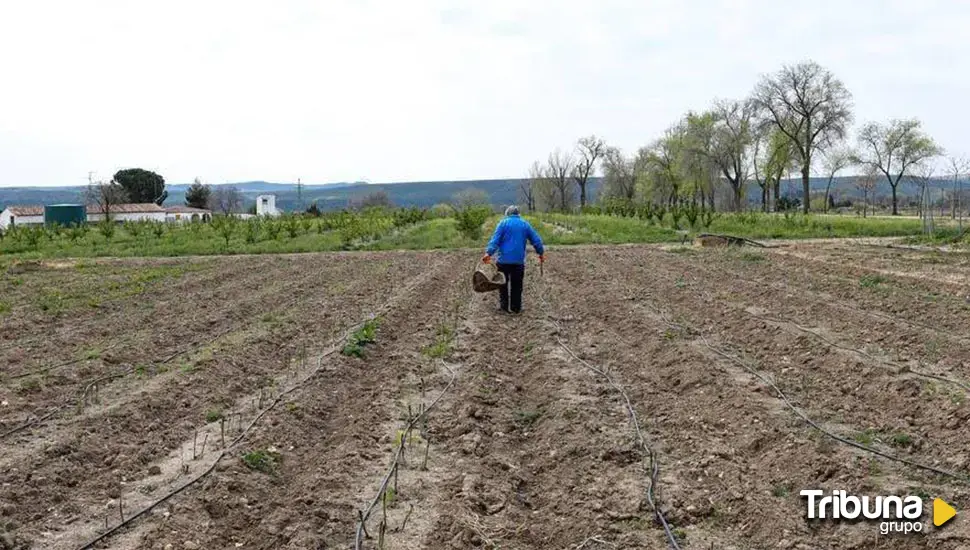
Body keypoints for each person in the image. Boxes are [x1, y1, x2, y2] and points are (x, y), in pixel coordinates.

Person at [482, 205, 545, 314]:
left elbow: (495, 241)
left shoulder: (502, 224)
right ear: (518, 214)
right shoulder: (525, 224)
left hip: (503, 261)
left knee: (502, 284)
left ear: (507, 214)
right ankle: (516, 308)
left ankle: (504, 307)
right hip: (518, 261)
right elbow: (536, 240)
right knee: (517, 285)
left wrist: (488, 253)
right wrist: (541, 253)